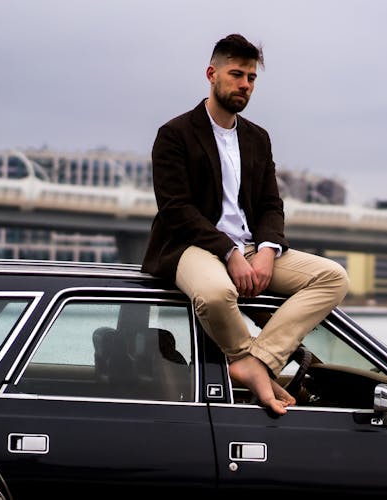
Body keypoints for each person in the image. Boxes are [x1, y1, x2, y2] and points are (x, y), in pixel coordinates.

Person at [141, 33, 349, 415]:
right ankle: (247, 362)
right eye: (236, 74)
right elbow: (176, 209)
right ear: (211, 74)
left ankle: (258, 361)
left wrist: (268, 251)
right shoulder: (174, 135)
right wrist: (230, 252)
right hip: (192, 245)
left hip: (252, 247)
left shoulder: (258, 138)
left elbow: (271, 205)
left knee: (334, 276)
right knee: (219, 294)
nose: (245, 85)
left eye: (251, 78)